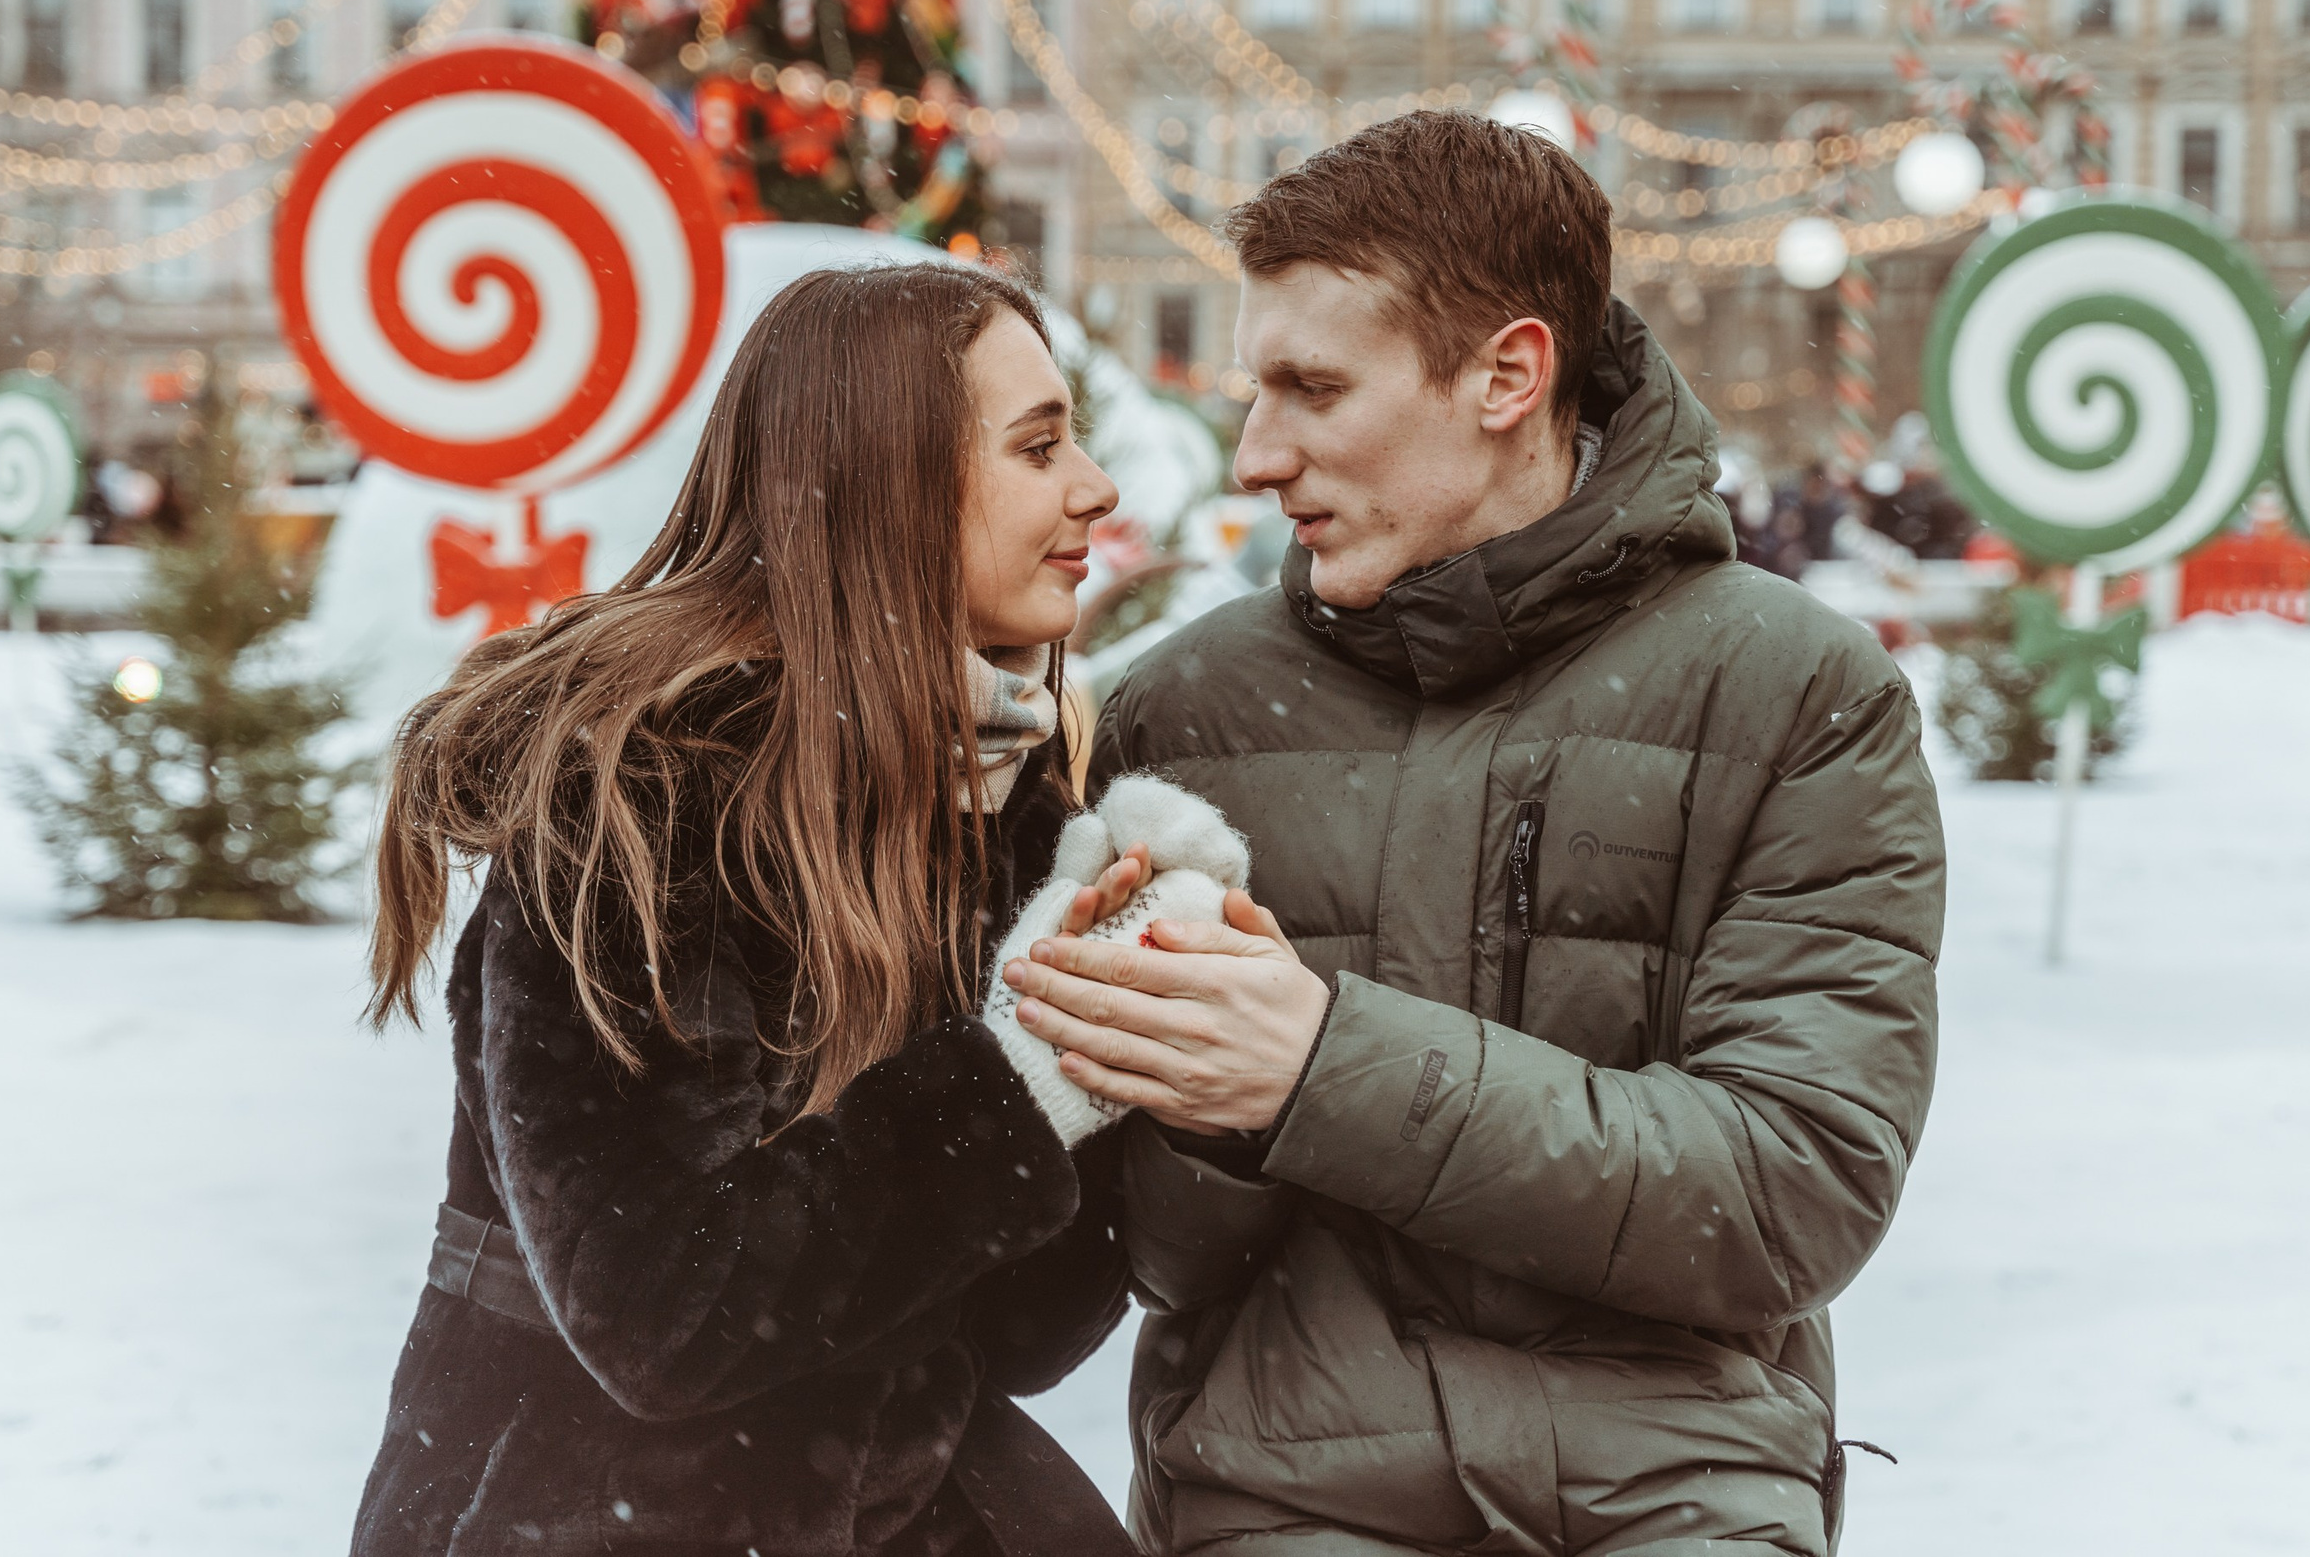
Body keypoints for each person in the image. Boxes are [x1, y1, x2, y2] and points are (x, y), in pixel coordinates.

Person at [997, 112, 1944, 1556]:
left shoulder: (1800, 696)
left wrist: (1321, 1066)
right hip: (1285, 1491)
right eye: (1260, 391)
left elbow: (1786, 1193)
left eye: (1314, 388)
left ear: (1507, 375)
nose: (1258, 455)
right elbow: (1140, 1265)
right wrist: (1209, 1109)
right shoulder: (1185, 711)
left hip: (1679, 1488)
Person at [351, 262, 1145, 1557]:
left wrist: (1126, 1048)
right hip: (580, 1519)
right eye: (1041, 445)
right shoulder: (641, 807)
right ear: (885, 481)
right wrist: (1027, 1070)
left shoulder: (1010, 806)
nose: (1095, 488)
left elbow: (1017, 1333)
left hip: (890, 1506)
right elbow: (656, 1311)